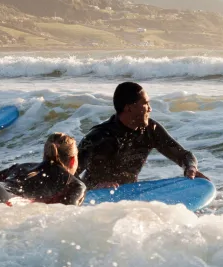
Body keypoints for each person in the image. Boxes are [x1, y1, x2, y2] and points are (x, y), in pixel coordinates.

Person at [76, 81, 207, 189]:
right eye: (145, 103)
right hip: (94, 199)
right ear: (129, 108)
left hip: (130, 193)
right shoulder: (99, 137)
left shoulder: (150, 130)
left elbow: (183, 155)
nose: (150, 109)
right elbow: (68, 174)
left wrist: (190, 167)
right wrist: (96, 187)